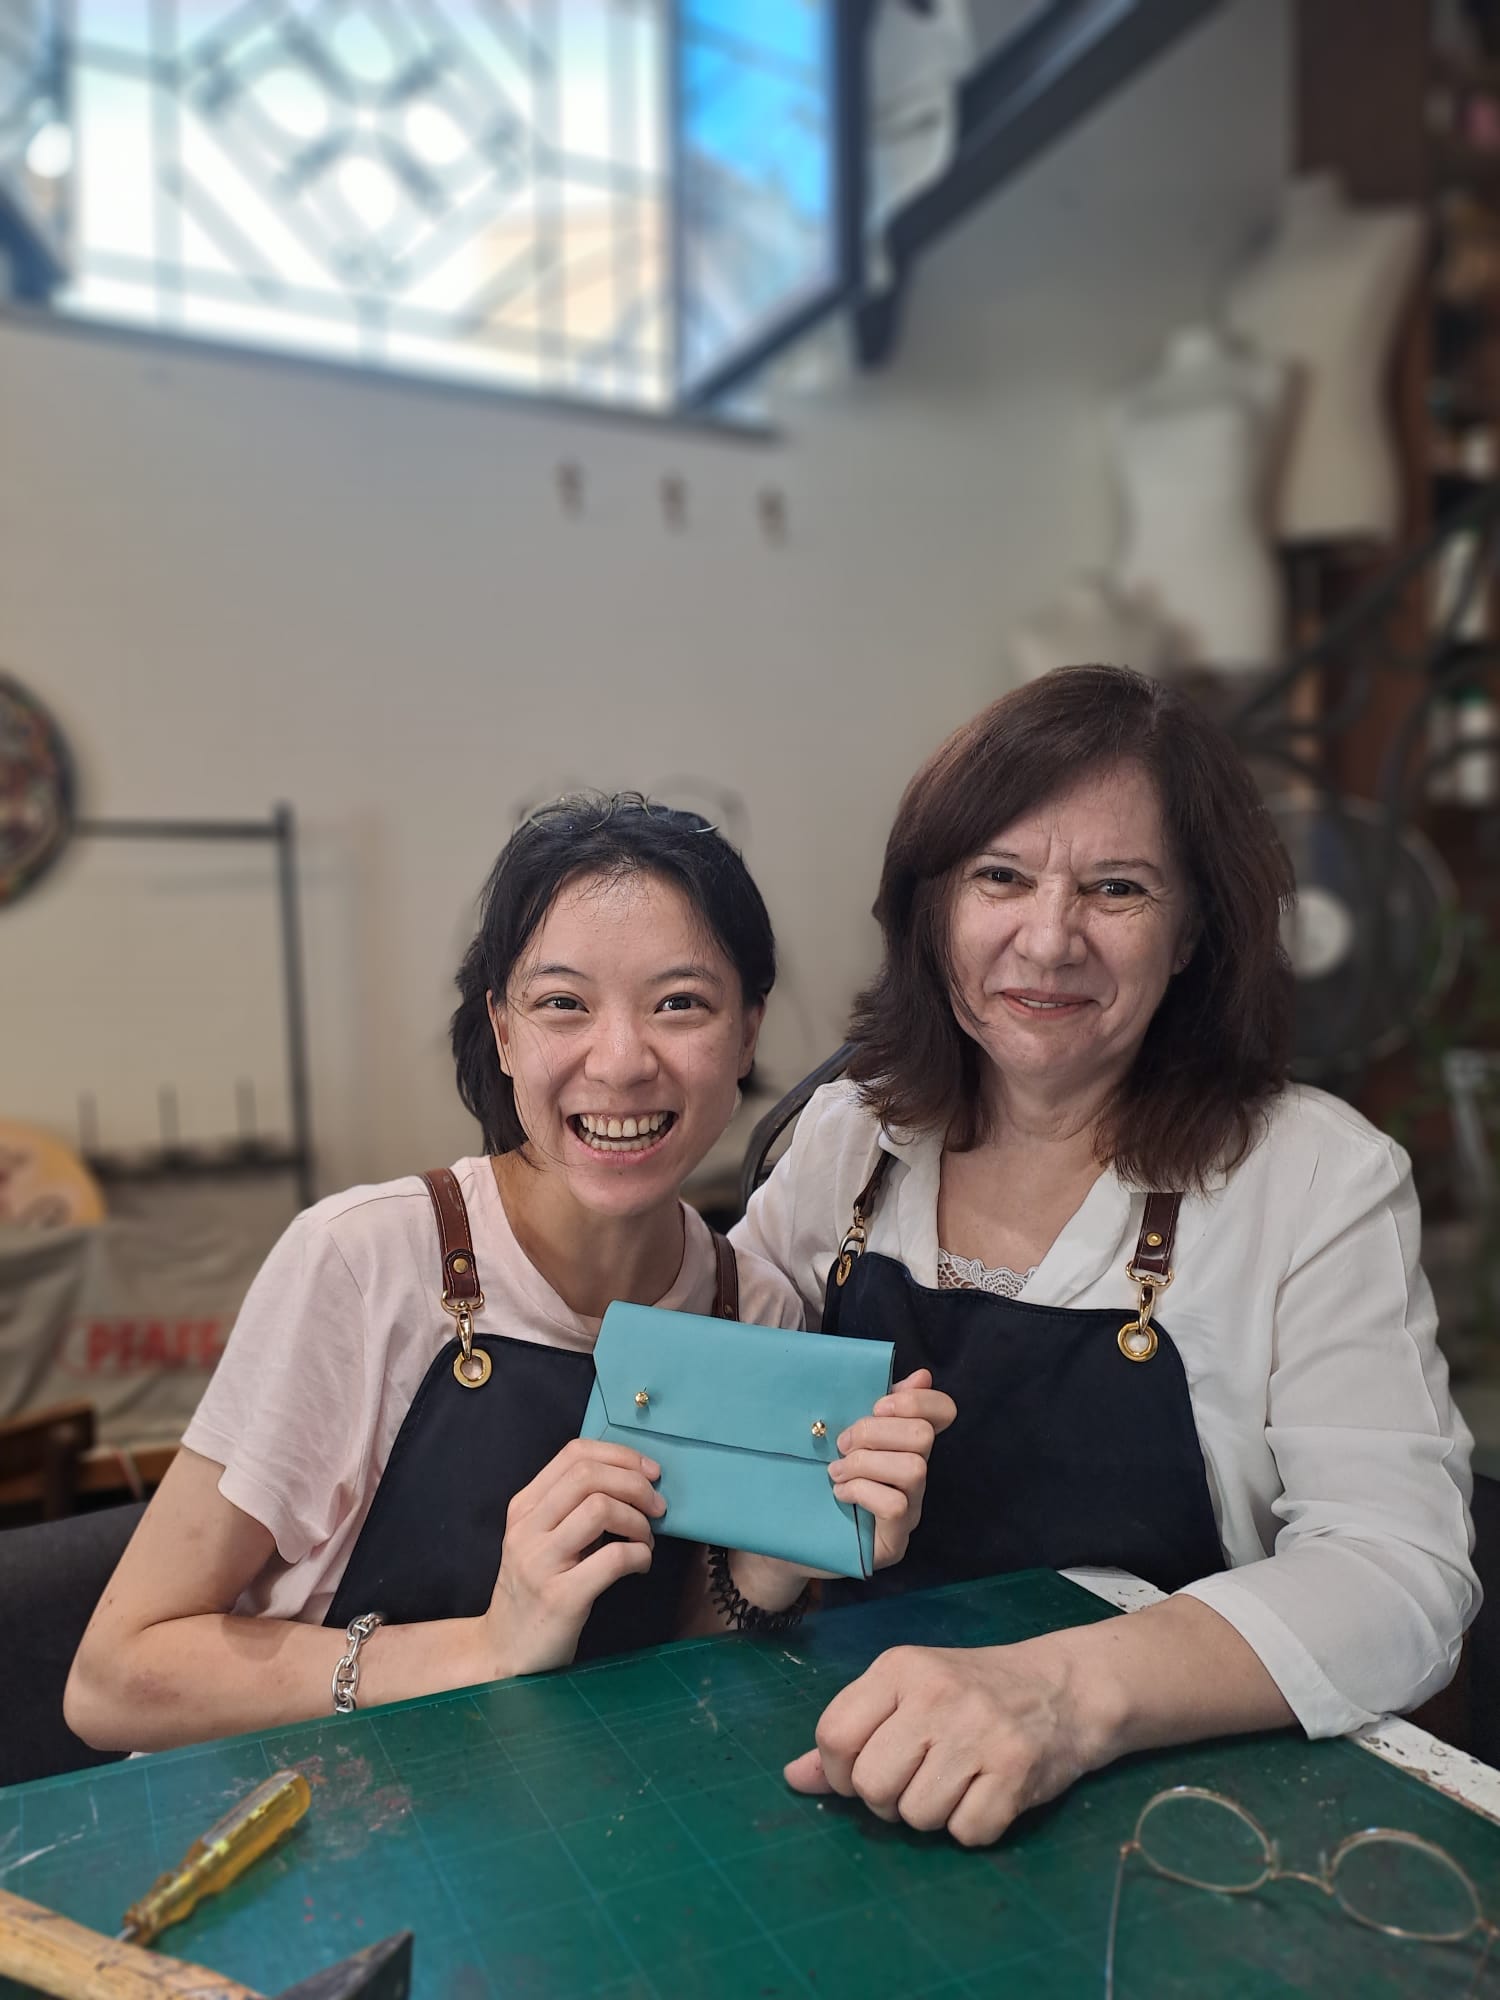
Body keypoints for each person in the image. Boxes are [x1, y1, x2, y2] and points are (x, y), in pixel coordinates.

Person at [732, 666, 1478, 1847]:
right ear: (933, 909)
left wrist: (1062, 1695)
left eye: (1117, 887)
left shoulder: (1318, 1178)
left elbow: (1403, 1578)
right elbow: (722, 1408)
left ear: (1193, 931)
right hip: (856, 1755)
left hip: (1168, 1817)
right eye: (1001, 876)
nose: (1049, 935)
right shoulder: (854, 1135)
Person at [66, 795, 953, 1752]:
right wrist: (486, 1646)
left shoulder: (754, 1307)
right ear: (502, 1031)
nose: (619, 1062)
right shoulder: (364, 1264)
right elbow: (115, 1677)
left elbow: (675, 1666)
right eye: (562, 1003)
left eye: (680, 1004)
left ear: (746, 1036)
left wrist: (776, 1566)